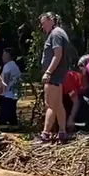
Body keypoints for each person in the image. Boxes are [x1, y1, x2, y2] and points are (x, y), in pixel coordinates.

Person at [39, 12, 72, 143]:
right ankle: (62, 132)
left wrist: (48, 72)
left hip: (54, 75)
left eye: (43, 23)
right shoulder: (59, 32)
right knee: (58, 104)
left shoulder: (56, 34)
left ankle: (45, 134)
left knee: (50, 105)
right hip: (58, 75)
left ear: (51, 20)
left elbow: (57, 55)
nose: (42, 27)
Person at [0, 48, 21, 128]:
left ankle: (3, 128)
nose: (3, 57)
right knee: (12, 113)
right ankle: (14, 127)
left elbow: (5, 80)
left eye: (5, 55)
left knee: (2, 114)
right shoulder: (15, 66)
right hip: (13, 94)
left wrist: (0, 91)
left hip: (6, 94)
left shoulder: (7, 66)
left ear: (10, 56)